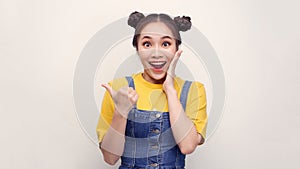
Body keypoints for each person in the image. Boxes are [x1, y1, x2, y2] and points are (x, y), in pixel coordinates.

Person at [96, 11, 208, 169]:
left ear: (177, 49)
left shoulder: (194, 90)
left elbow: (187, 146)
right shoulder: (118, 89)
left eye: (166, 44)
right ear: (137, 48)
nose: (156, 53)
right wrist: (120, 113)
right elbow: (110, 157)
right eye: (147, 44)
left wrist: (170, 89)